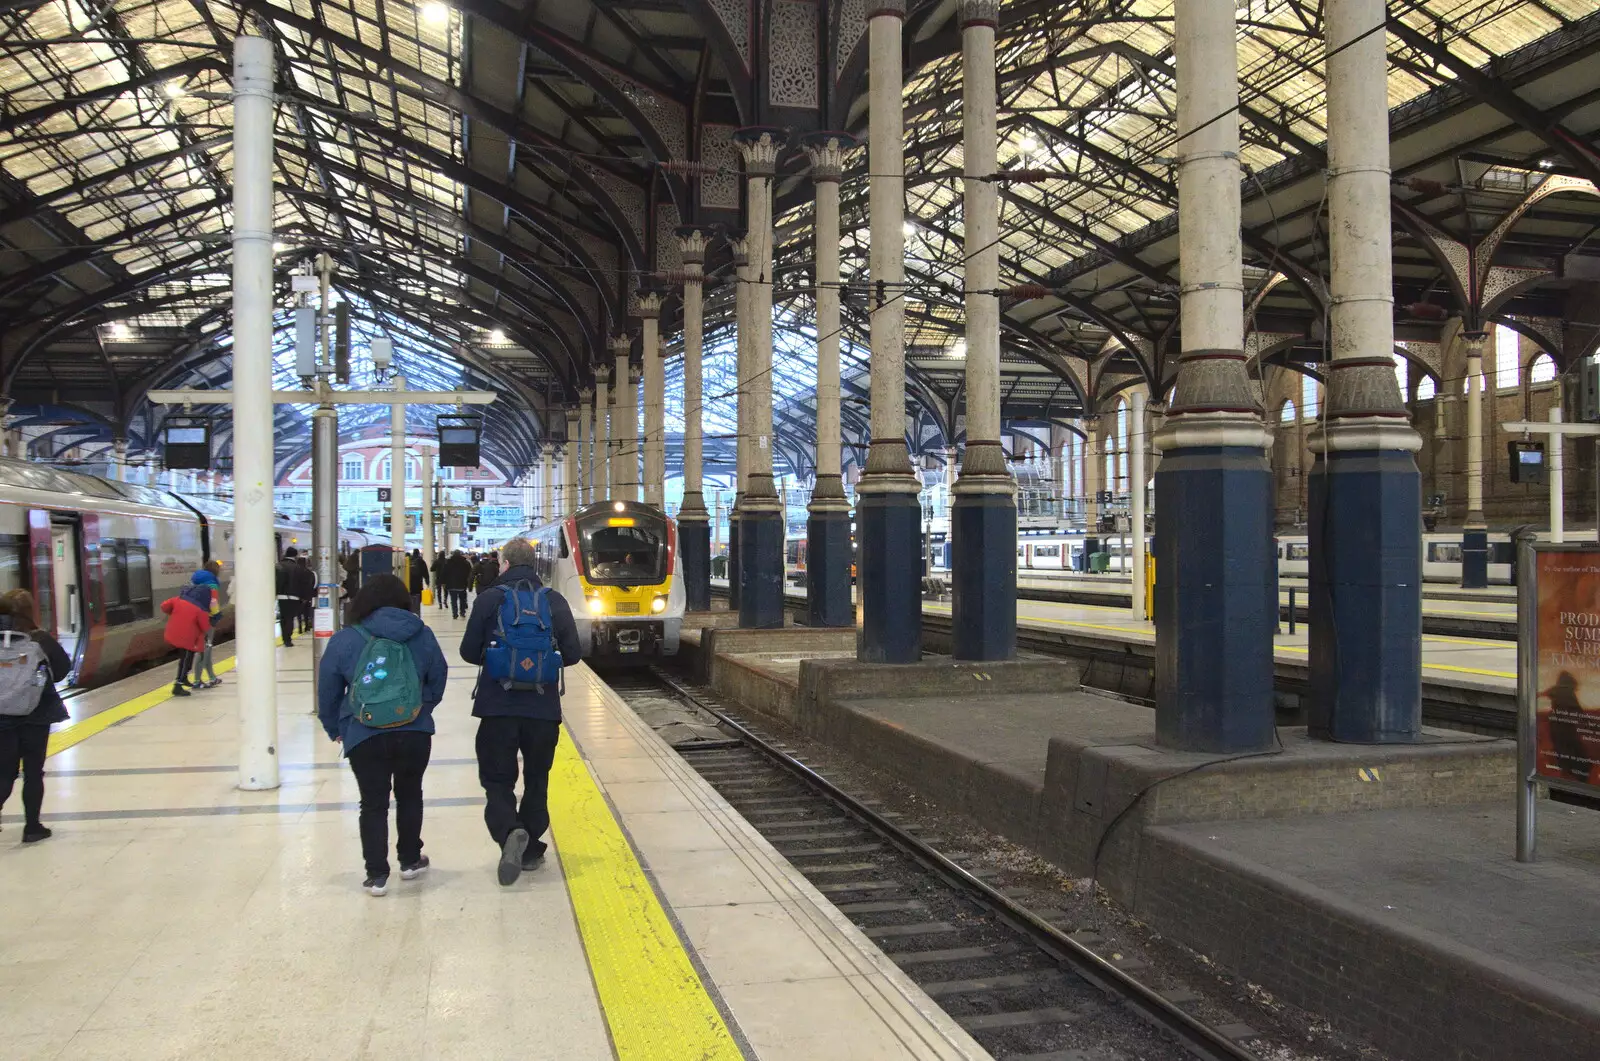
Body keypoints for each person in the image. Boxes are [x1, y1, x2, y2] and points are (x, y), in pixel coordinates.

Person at [317, 573, 448, 896]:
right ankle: (409, 860)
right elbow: (439, 676)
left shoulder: (345, 639)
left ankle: (376, 875)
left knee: (373, 803)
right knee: (410, 794)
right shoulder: (422, 633)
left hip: (364, 733)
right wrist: (421, 708)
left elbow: (328, 691)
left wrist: (336, 728)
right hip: (415, 732)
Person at [460, 537, 580, 885]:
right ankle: (529, 849)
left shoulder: (490, 599)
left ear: (505, 565)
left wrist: (499, 656)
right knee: (537, 780)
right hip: (543, 709)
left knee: (498, 780)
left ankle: (510, 831)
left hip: (497, 708)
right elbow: (572, 654)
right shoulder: (553, 600)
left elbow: (469, 652)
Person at [0, 589, 70, 842]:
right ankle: (32, 827)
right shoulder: (39, 638)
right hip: (36, 714)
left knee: (4, 772)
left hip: (1, 717)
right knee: (33, 772)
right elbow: (62, 670)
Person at [161, 578, 212, 697]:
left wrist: (175, 614)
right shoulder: (200, 610)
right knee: (186, 660)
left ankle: (183, 679)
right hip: (188, 639)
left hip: (174, 633)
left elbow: (164, 606)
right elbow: (205, 626)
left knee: (184, 659)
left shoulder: (177, 600)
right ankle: (177, 686)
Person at [188, 567, 223, 688]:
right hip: (208, 620)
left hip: (196, 619)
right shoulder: (212, 585)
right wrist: (217, 615)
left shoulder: (194, 583)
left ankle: (212, 677)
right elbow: (213, 602)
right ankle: (197, 681)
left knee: (207, 648)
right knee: (204, 650)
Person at [276, 547, 302, 648]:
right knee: (290, 618)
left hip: (281, 596)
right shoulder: (298, 567)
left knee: (283, 617)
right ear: (295, 556)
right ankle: (288, 639)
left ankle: (284, 638)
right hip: (294, 596)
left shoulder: (279, 566)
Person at [441, 549, 473, 619]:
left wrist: (443, 582)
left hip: (451, 584)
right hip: (462, 584)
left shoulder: (448, 562)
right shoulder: (465, 562)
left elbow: (444, 573)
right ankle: (462, 612)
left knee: (453, 600)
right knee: (462, 599)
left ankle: (455, 614)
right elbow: (470, 573)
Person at [293, 555, 317, 635]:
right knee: (307, 612)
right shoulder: (309, 572)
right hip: (308, 595)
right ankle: (307, 626)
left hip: (298, 595)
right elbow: (313, 584)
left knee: (299, 612)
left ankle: (300, 627)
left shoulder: (295, 572)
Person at [407, 548, 430, 614]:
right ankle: (417, 612)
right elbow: (425, 572)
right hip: (418, 583)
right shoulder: (421, 561)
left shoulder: (408, 560)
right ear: (418, 553)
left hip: (409, 584)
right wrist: (427, 581)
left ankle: (411, 611)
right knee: (418, 598)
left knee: (410, 598)